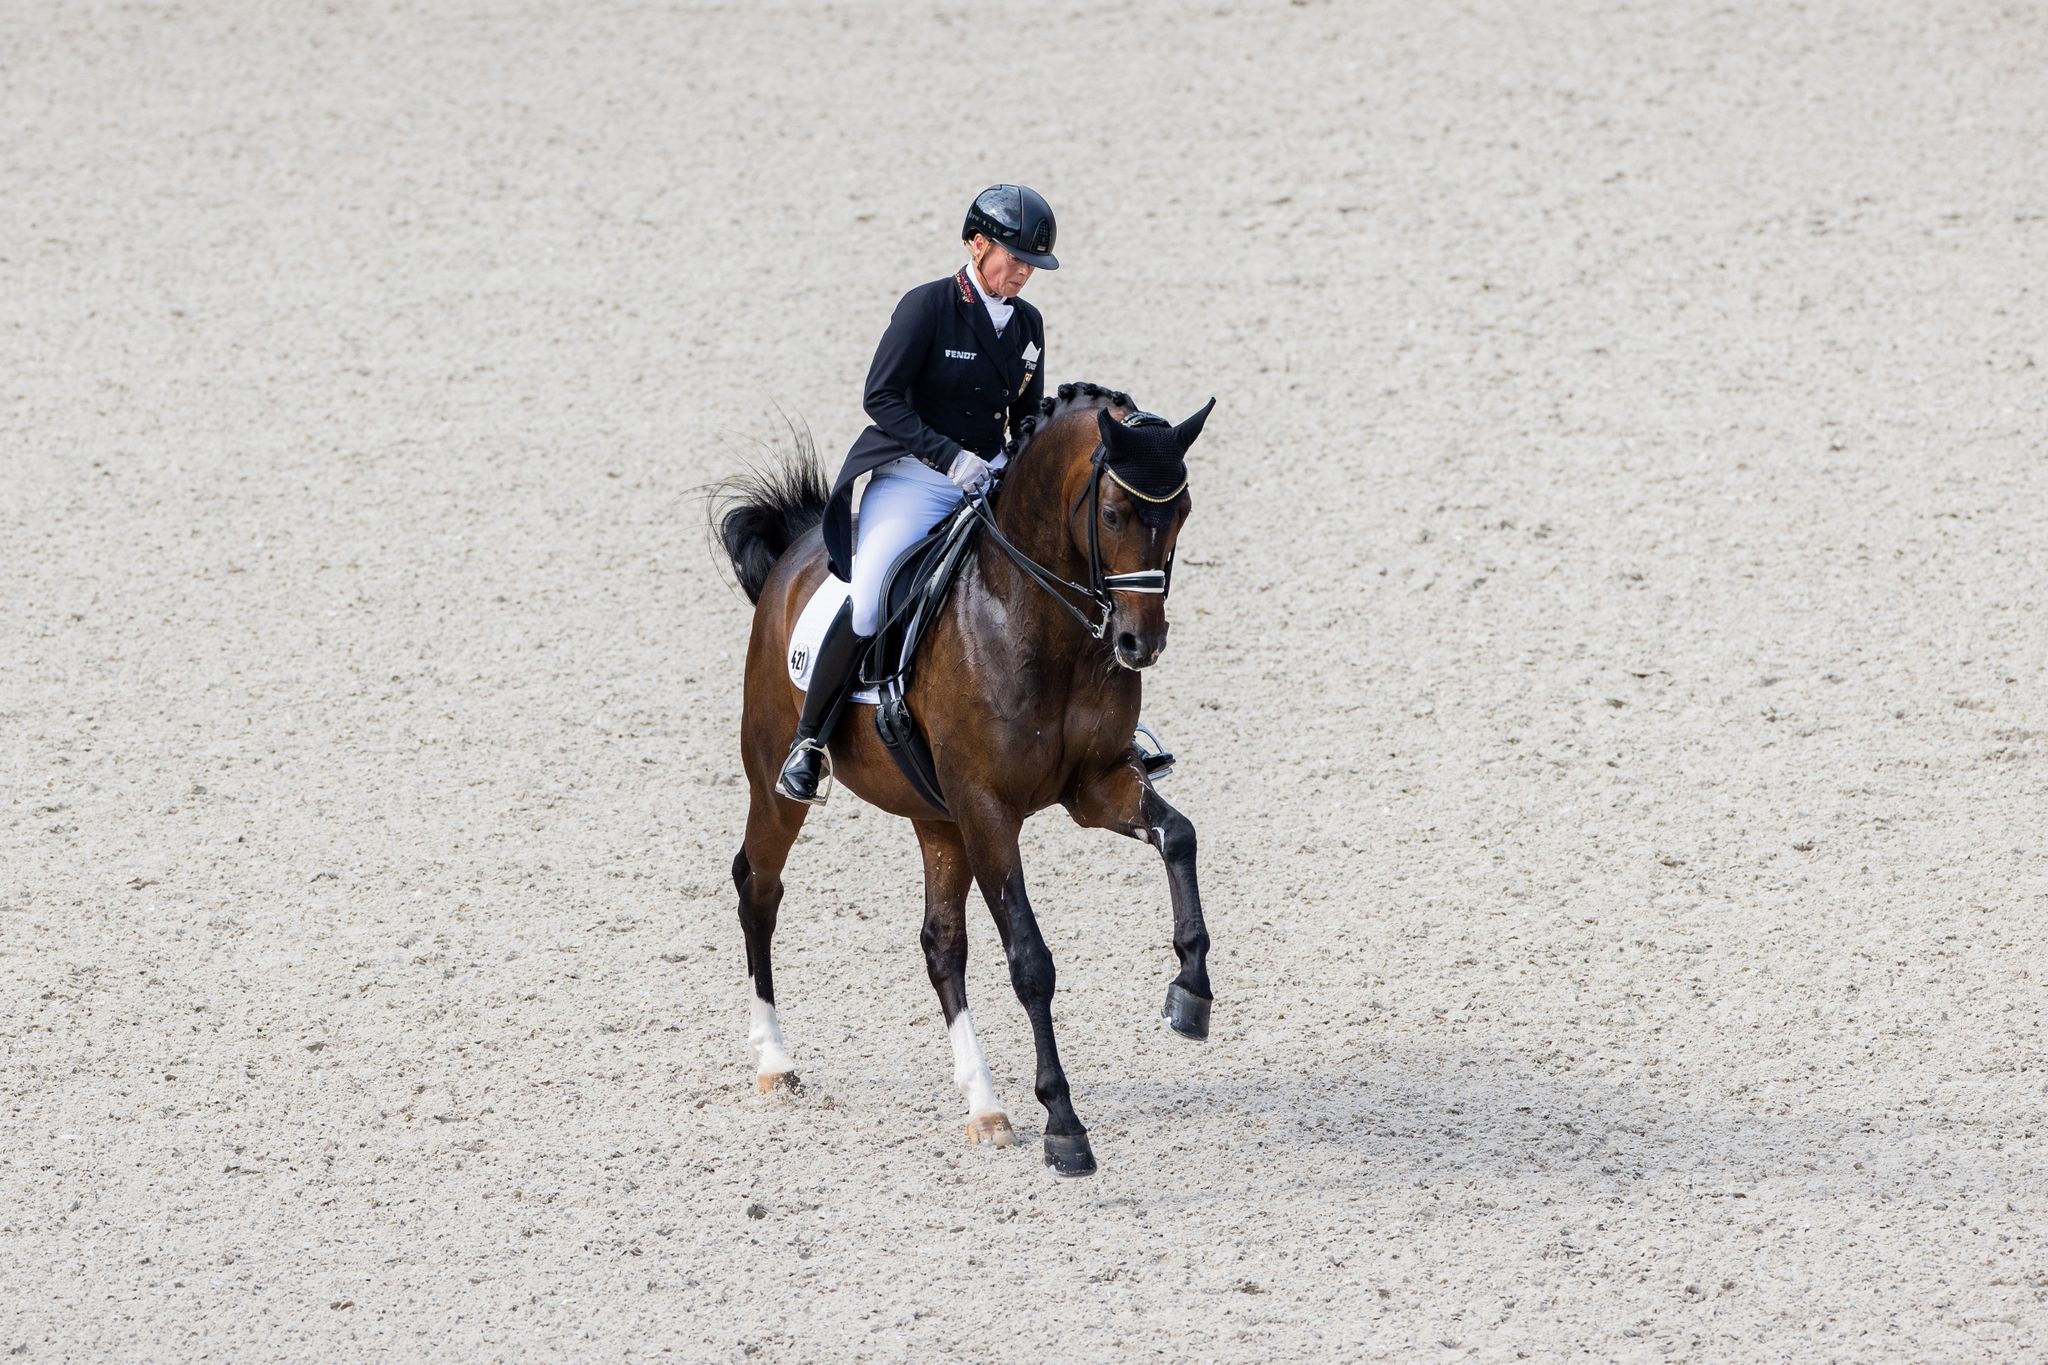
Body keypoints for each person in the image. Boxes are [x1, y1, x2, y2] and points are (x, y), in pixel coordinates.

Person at [776, 184, 1058, 804]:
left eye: (1031, 265)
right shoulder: (927, 307)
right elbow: (881, 397)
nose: (1022, 274)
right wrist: (950, 456)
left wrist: (1016, 458)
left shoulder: (1029, 325)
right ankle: (810, 741)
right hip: (915, 478)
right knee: (873, 593)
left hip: (986, 483)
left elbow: (1028, 414)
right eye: (1013, 258)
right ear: (976, 244)